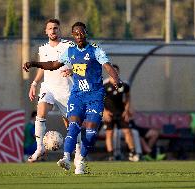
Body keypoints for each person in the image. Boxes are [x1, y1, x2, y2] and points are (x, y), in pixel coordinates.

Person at [23, 21, 122, 174]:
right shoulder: (69, 51)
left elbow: (107, 66)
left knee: (90, 132)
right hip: (77, 95)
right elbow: (54, 64)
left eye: (81, 32)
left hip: (94, 96)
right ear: (73, 36)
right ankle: (66, 158)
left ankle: (80, 160)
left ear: (85, 33)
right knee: (73, 126)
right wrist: (34, 64)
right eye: (76, 34)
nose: (79, 36)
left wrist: (115, 78)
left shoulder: (95, 50)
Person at [27, 19, 82, 164]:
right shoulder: (43, 48)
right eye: (50, 28)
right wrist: (34, 83)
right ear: (46, 31)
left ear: (59, 30)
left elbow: (80, 62)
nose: (53, 31)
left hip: (66, 90)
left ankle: (76, 152)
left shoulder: (68, 46)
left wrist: (72, 70)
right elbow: (42, 68)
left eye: (55, 28)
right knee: (41, 111)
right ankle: (40, 148)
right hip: (48, 87)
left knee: (71, 125)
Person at [102, 64, 139, 162]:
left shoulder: (124, 85)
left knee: (127, 131)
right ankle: (111, 155)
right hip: (109, 114)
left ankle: (133, 153)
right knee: (109, 133)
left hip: (121, 113)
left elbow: (127, 97)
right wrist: (104, 112)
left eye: (116, 71)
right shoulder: (104, 86)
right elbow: (98, 99)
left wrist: (127, 110)